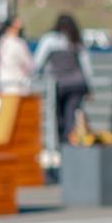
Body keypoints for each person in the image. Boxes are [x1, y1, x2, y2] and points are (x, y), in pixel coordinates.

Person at [34, 13, 92, 145]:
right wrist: (89, 87)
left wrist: (36, 77)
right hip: (77, 83)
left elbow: (38, 62)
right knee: (71, 114)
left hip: (58, 85)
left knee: (57, 115)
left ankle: (61, 143)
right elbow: (86, 66)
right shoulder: (76, 40)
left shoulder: (49, 39)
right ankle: (68, 143)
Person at [0, 14, 34, 95]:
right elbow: (29, 64)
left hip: (4, 83)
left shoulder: (2, 42)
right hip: (18, 85)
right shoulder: (18, 43)